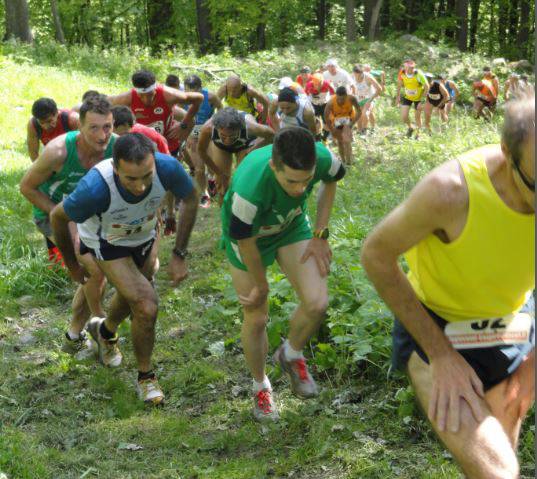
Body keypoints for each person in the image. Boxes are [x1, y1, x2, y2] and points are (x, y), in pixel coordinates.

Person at [361, 88, 534, 479]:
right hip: (437, 330)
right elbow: (375, 254)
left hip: (512, 326)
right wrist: (440, 355)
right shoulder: (451, 193)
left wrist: (533, 361)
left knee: (499, 456)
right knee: (499, 473)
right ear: (508, 152)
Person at [50, 133, 199, 404]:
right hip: (105, 242)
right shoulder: (95, 187)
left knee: (134, 294)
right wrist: (72, 265)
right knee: (145, 304)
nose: (141, 186)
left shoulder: (167, 168)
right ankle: (146, 377)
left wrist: (179, 253)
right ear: (116, 168)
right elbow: (57, 217)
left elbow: (191, 197)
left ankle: (104, 331)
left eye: (147, 176)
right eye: (131, 179)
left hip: (141, 236)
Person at [221, 127, 345, 421]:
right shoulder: (249, 189)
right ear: (273, 166)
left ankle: (291, 354)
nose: (300, 189)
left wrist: (320, 234)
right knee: (257, 317)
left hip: (290, 228)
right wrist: (261, 286)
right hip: (248, 239)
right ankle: (260, 386)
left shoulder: (322, 159)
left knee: (316, 302)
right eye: (291, 181)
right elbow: (245, 241)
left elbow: (332, 181)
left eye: (306, 181)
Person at [20, 95, 116, 357]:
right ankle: (100, 325)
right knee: (94, 270)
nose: (101, 135)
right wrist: (60, 214)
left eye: (107, 126)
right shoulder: (58, 151)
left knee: (95, 273)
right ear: (79, 127)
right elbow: (26, 187)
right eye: (94, 128)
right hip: (52, 209)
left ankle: (74, 335)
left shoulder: (116, 147)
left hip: (89, 214)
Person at [107, 69, 203, 157]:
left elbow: (199, 98)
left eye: (150, 95)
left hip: (168, 142)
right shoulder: (127, 98)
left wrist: (184, 124)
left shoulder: (168, 95)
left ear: (155, 89)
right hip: (138, 145)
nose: (146, 100)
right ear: (136, 92)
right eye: (141, 96)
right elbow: (103, 105)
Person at [197, 107, 274, 200]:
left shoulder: (251, 127)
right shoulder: (208, 128)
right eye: (223, 136)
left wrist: (254, 149)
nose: (228, 141)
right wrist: (218, 173)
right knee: (222, 185)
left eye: (232, 136)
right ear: (217, 129)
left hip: (245, 145)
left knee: (243, 179)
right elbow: (201, 150)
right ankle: (225, 211)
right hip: (221, 147)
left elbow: (272, 135)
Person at [182, 74, 222, 208]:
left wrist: (214, 124)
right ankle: (204, 194)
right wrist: (187, 135)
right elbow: (179, 118)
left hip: (208, 132)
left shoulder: (211, 97)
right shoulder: (181, 98)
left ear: (201, 88)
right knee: (199, 169)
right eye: (189, 91)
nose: (192, 95)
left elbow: (221, 110)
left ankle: (211, 179)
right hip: (192, 134)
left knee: (212, 164)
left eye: (196, 92)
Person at [323, 86, 360, 165]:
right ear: (336, 96)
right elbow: (326, 117)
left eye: (342, 99)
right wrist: (332, 129)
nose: (340, 101)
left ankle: (349, 162)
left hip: (349, 120)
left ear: (346, 96)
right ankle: (343, 161)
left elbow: (359, 112)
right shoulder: (331, 102)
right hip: (336, 121)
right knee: (340, 142)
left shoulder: (352, 99)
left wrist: (352, 123)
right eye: (338, 99)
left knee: (347, 141)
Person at [396, 59, 429, 138]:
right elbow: (399, 84)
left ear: (413, 67)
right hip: (408, 97)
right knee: (404, 117)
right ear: (404, 67)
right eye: (407, 67)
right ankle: (411, 127)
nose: (409, 69)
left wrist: (423, 100)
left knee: (417, 116)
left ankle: (418, 134)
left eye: (411, 67)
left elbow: (427, 86)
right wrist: (397, 96)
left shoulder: (418, 74)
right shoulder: (402, 73)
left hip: (419, 98)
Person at [351, 65, 382, 134]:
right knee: (359, 115)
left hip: (369, 97)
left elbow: (379, 88)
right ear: (353, 73)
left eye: (360, 75)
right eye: (356, 75)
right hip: (358, 98)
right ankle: (359, 130)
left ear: (362, 73)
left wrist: (371, 99)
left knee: (365, 113)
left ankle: (366, 130)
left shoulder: (368, 77)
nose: (358, 77)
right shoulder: (351, 76)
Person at [305, 73, 335, 142]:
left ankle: (325, 138)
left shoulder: (327, 84)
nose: (317, 86)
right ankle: (317, 138)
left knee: (327, 123)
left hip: (325, 104)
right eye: (315, 84)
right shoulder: (309, 85)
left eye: (319, 84)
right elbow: (305, 95)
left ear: (322, 81)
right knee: (314, 123)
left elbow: (333, 94)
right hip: (314, 105)